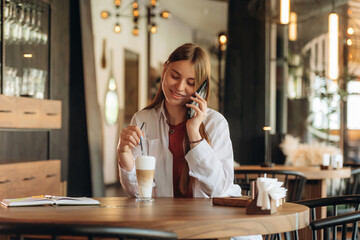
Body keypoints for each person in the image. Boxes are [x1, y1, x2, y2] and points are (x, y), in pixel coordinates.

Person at [118, 43, 261, 240]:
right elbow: (138, 192)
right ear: (165, 68)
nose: (179, 87)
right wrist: (124, 155)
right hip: (167, 223)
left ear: (201, 87)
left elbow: (218, 189)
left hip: (214, 224)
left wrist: (194, 132)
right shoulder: (143, 120)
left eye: (191, 82)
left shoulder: (215, 123)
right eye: (175, 76)